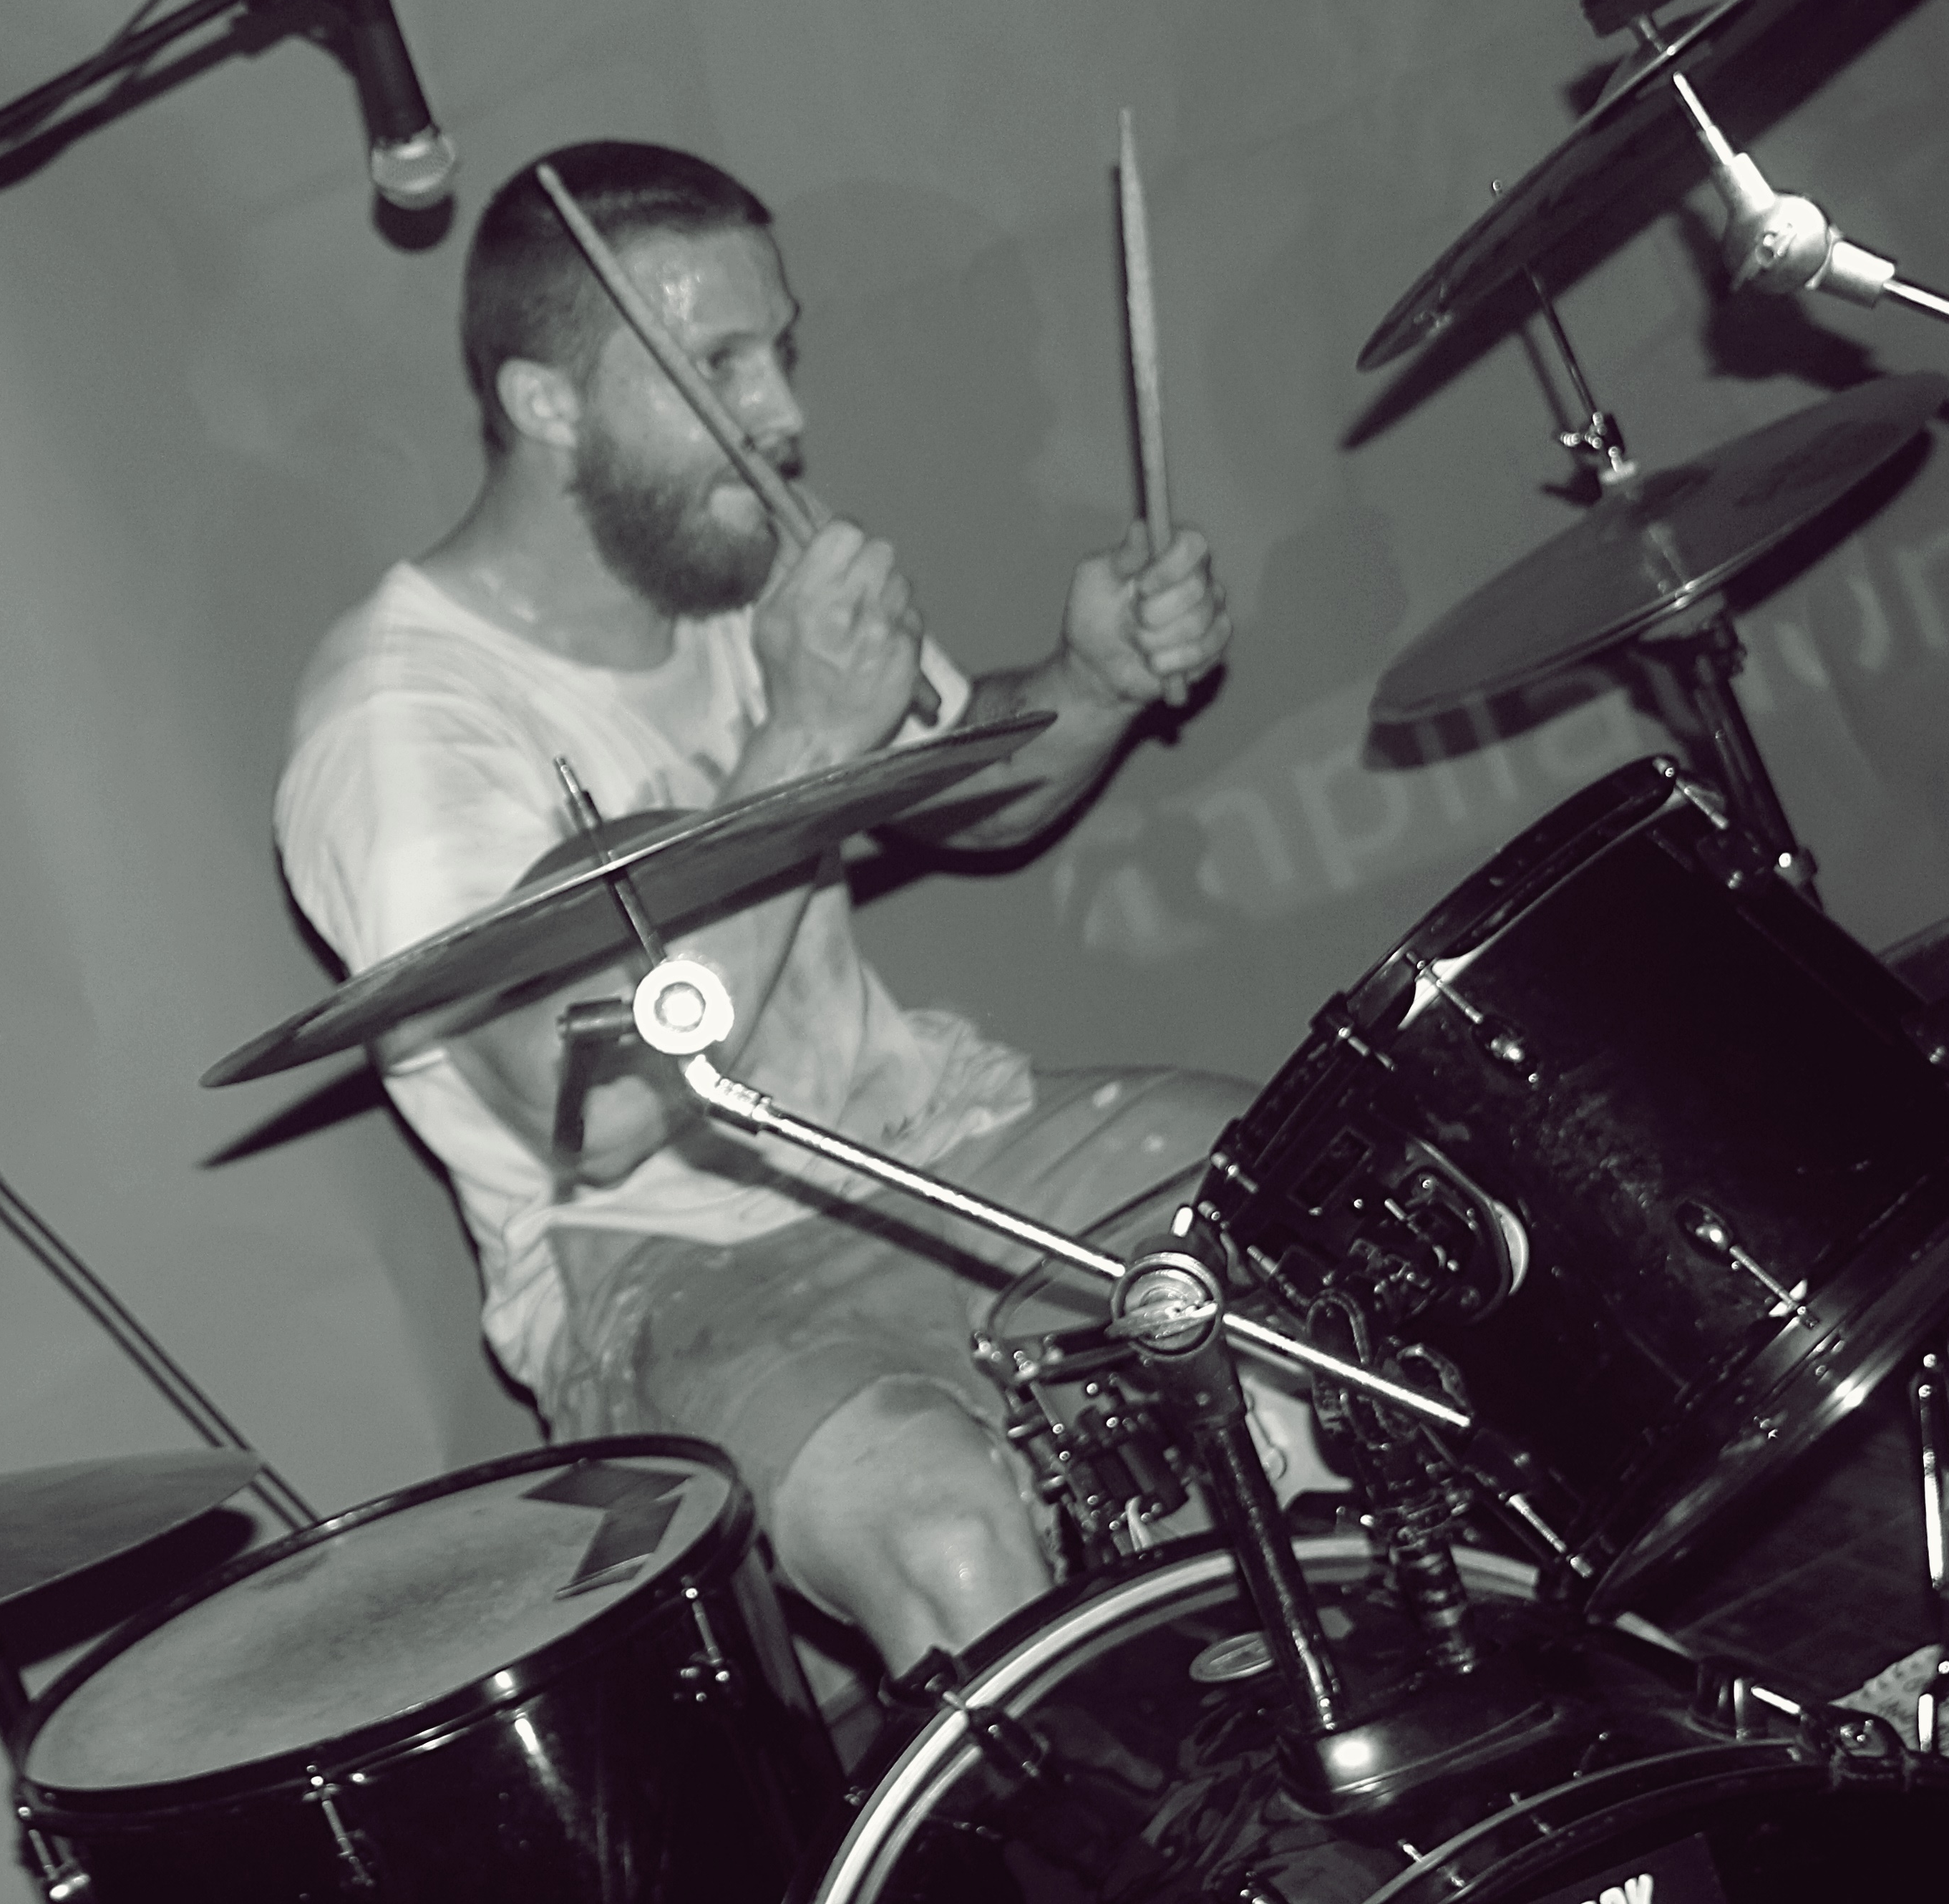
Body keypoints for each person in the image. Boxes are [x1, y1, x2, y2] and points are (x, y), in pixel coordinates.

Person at [275, 139, 1235, 1678]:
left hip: (919, 1144)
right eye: (717, 366)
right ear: (546, 404)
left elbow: (972, 795)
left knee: (1302, 1244)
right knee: (945, 1530)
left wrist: (1097, 681)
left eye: (779, 351)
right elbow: (590, 1115)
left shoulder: (729, 557)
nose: (781, 415)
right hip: (659, 1262)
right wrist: (801, 741)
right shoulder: (405, 722)